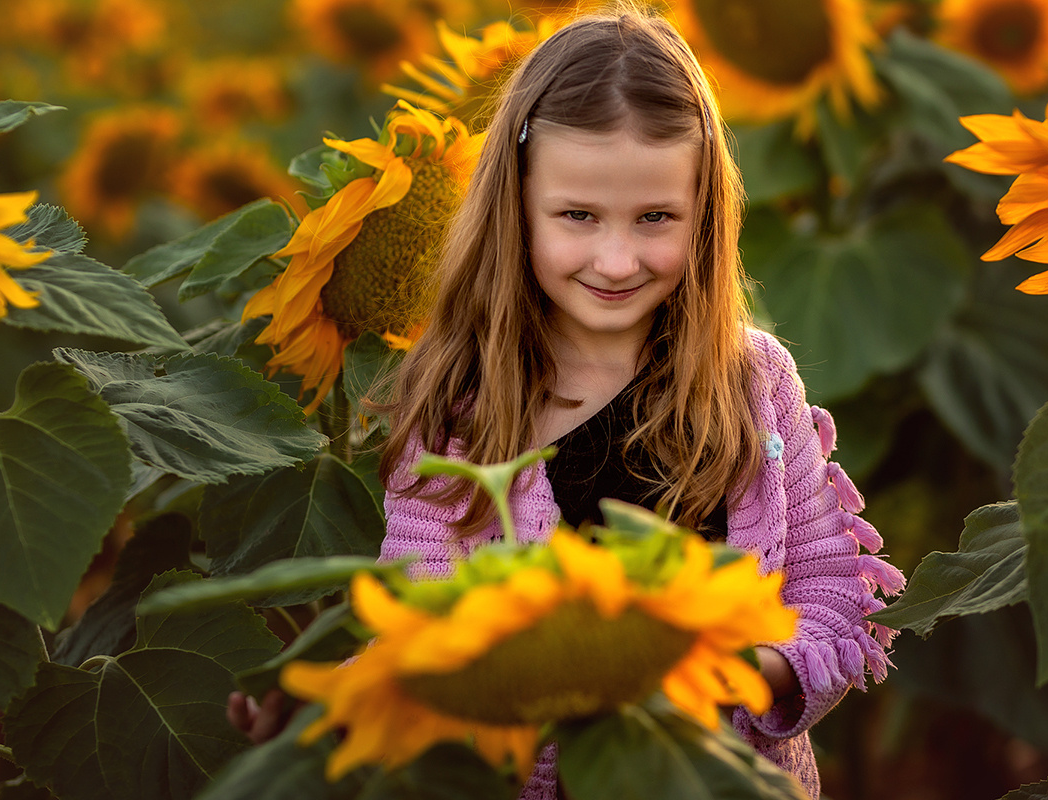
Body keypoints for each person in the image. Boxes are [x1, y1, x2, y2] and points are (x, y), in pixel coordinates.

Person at [374, 6, 905, 800]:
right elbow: (417, 636)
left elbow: (831, 602)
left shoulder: (754, 388)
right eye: (578, 216)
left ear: (704, 216)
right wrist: (317, 713)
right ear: (515, 207)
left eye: (656, 218)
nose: (617, 260)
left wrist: (723, 666)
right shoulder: (460, 407)